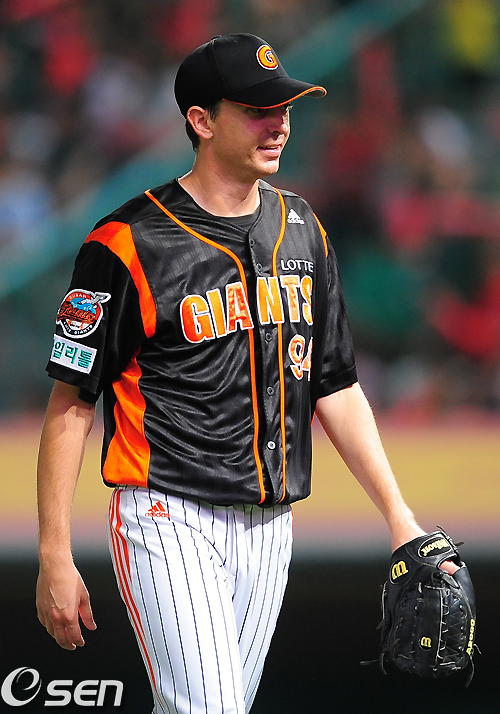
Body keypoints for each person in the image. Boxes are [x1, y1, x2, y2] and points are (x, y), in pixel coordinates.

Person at [36, 33, 452, 714]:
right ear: (201, 121)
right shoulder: (127, 242)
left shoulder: (302, 228)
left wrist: (400, 519)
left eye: (284, 108)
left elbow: (336, 385)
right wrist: (55, 551)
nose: (278, 123)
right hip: (167, 513)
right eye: (258, 109)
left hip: (271, 524)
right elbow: (71, 401)